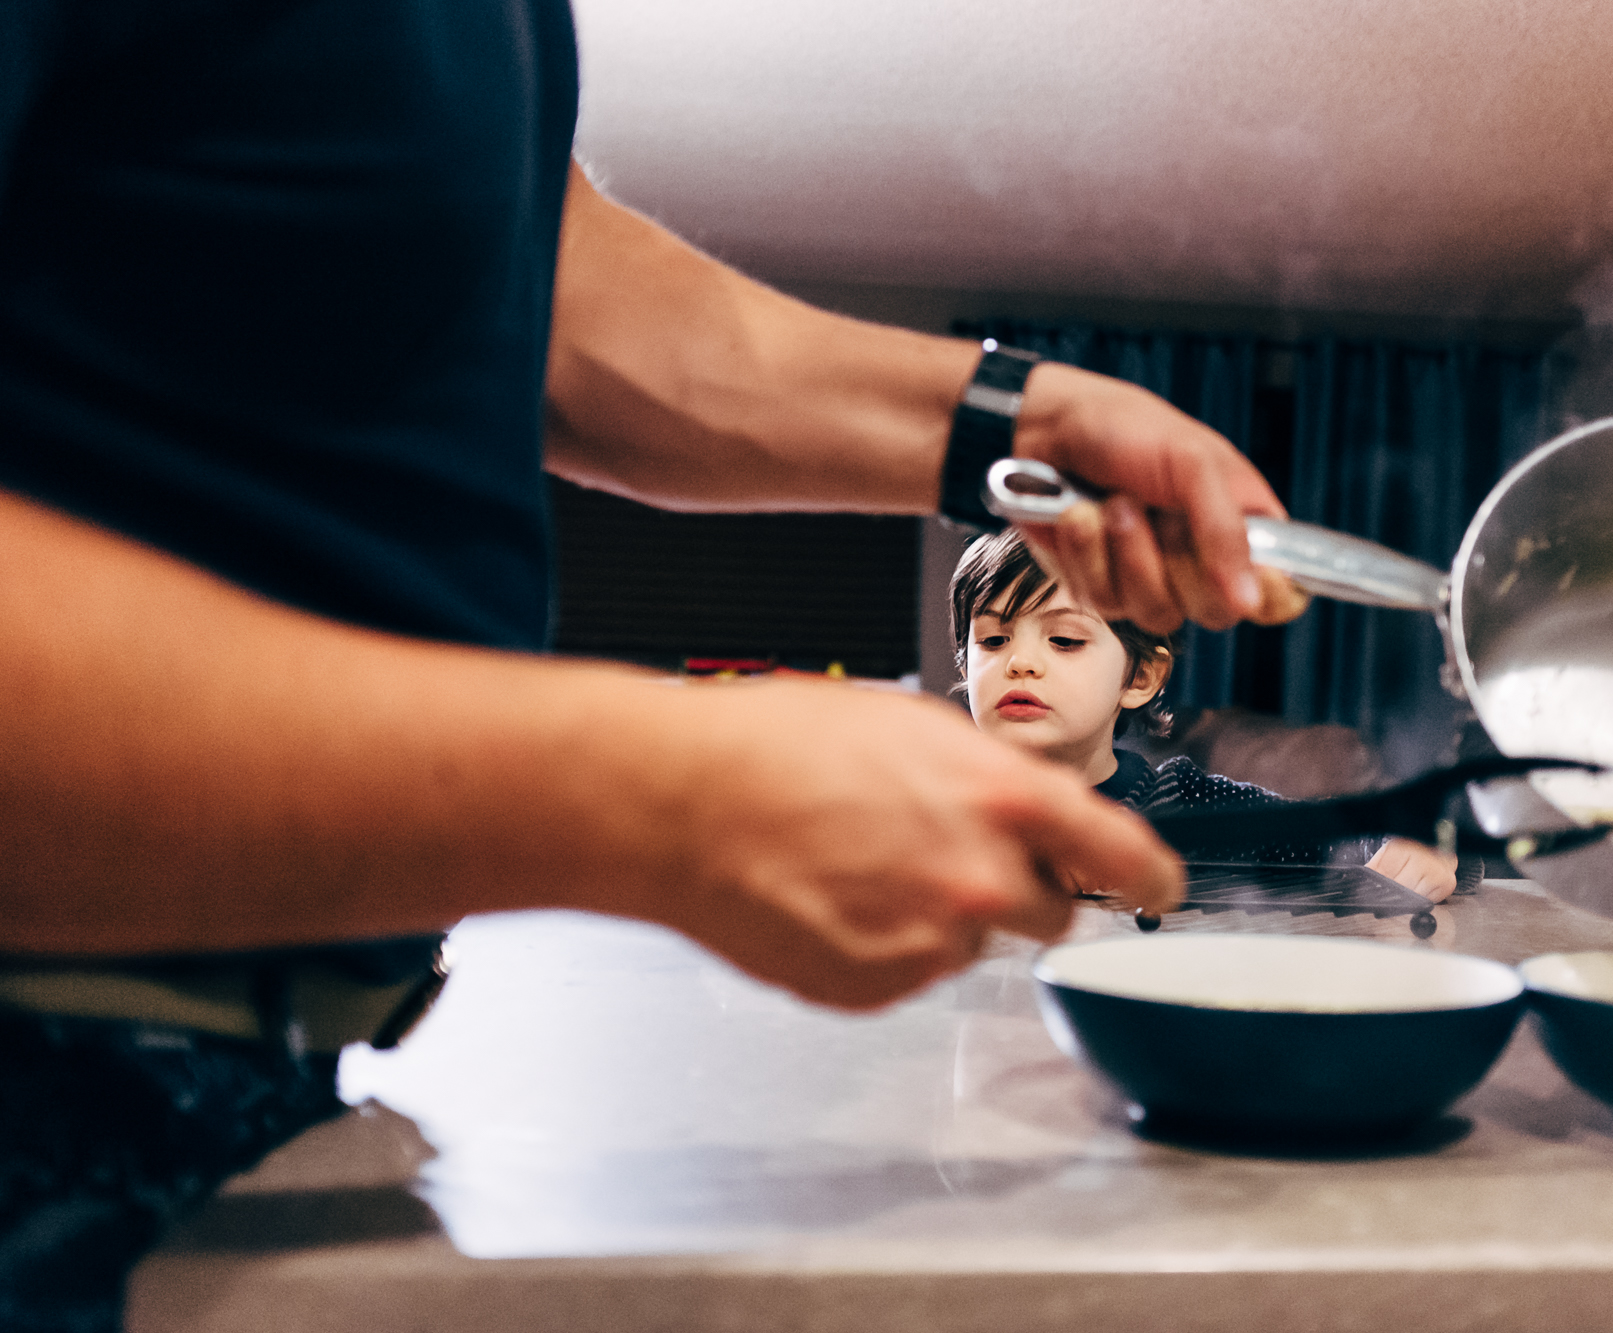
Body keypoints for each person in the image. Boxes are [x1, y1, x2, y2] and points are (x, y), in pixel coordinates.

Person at [0, 2, 1335, 1323]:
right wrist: (654, 790)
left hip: (261, 1092)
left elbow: (540, 277)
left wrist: (1003, 414)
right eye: (993, 636)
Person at [951, 531, 1460, 901]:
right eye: (993, 640)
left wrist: (1420, 850)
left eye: (1065, 640)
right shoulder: (930, 804)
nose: (1019, 662)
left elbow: (1343, 842)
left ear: (1141, 678)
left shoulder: (1187, 805)